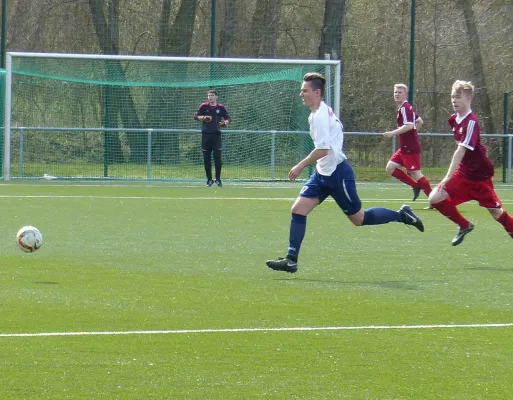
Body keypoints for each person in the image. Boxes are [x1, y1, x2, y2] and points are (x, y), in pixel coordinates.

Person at [266, 73, 424, 273]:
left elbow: (323, 150)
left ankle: (402, 215)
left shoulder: (320, 116)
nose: (301, 94)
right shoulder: (317, 113)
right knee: (298, 209)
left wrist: (300, 166)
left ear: (317, 92)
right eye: (301, 90)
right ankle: (291, 259)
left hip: (338, 175)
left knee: (359, 219)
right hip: (323, 174)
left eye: (305, 90)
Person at [428, 79, 513, 245]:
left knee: (497, 214)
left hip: (479, 177)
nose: (454, 100)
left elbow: (460, 151)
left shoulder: (472, 121)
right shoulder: (453, 119)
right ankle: (464, 225)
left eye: (458, 96)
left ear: (468, 99)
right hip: (463, 172)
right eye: (452, 96)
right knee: (434, 197)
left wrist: (447, 177)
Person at [383, 84, 432, 207]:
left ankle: (435, 200)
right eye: (395, 92)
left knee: (416, 174)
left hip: (410, 148)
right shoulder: (404, 108)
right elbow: (419, 121)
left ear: (405, 94)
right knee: (390, 168)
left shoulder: (405, 108)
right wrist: (413, 135)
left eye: (400, 92)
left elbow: (409, 125)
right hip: (404, 148)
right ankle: (415, 186)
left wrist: (392, 133)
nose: (397, 94)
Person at [194, 90, 232, 187]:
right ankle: (209, 180)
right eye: (209, 95)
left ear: (216, 97)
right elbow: (195, 116)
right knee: (206, 159)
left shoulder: (221, 107)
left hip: (216, 135)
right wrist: (203, 118)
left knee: (218, 159)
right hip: (206, 135)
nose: (210, 97)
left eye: (212, 95)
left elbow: (229, 118)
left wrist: (225, 123)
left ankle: (218, 179)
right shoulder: (204, 106)